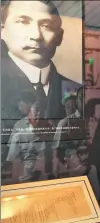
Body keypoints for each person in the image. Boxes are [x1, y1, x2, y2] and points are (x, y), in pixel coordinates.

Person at [1, 0, 82, 134]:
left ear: (59, 36)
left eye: (46, 25)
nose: (36, 36)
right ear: (2, 29)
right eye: (23, 22)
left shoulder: (77, 91)